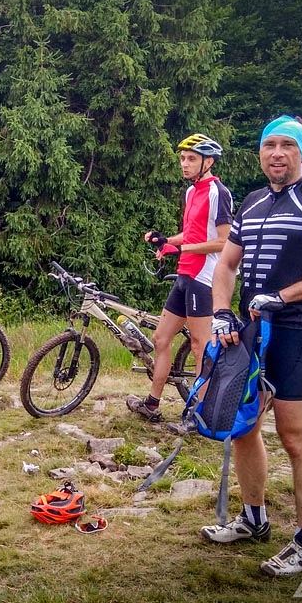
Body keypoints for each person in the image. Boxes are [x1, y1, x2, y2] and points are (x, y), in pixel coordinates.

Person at [202, 116, 302, 577]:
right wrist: (221, 312)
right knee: (243, 426)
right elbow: (226, 266)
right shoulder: (252, 202)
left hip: (295, 331)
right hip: (249, 333)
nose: (277, 153)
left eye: (287, 145)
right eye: (269, 144)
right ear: (259, 152)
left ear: (301, 152)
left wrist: (284, 296)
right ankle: (254, 520)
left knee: (295, 437)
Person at [127, 134, 233, 423]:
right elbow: (192, 234)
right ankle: (152, 404)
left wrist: (182, 248)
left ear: (208, 162)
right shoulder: (191, 192)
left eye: (191, 159)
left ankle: (200, 414)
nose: (184, 164)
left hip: (204, 276)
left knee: (200, 346)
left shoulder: (218, 193)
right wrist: (166, 241)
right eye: (183, 159)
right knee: (160, 339)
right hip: (185, 274)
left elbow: (223, 241)